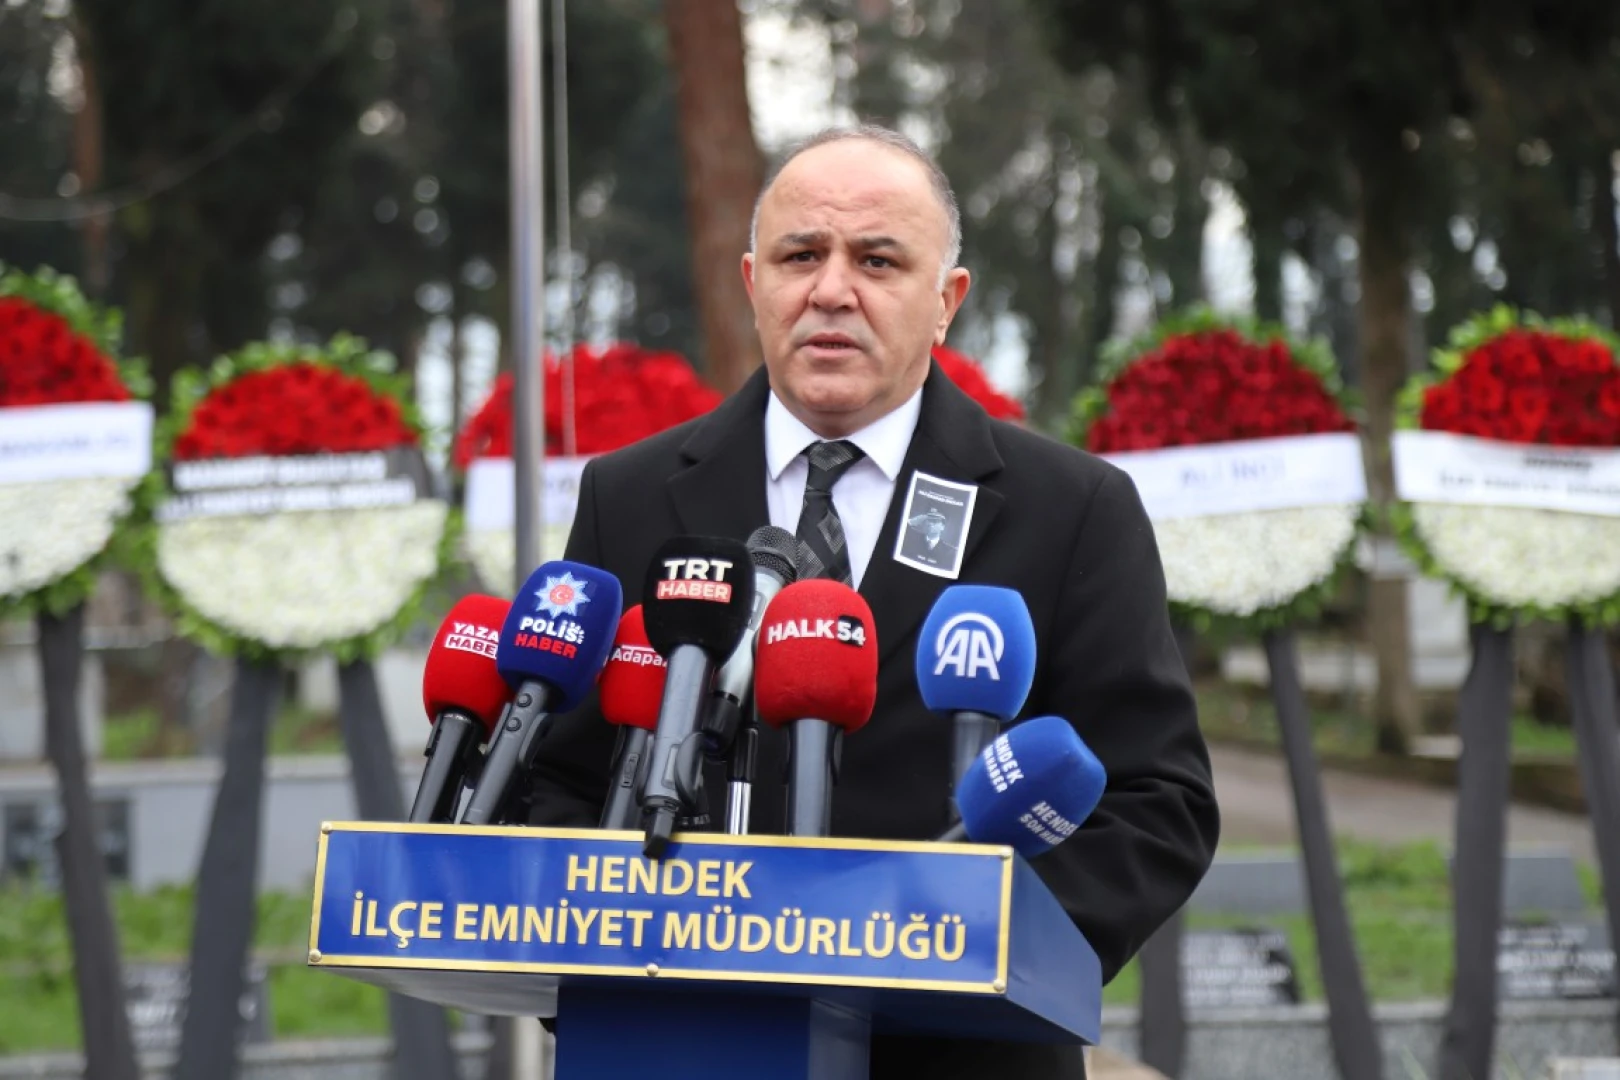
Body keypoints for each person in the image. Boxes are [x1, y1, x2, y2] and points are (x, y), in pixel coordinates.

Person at [526, 124, 1220, 1079]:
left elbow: (1154, 800)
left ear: (947, 301)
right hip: (674, 1040)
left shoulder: (1071, 510)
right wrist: (618, 949)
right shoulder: (630, 495)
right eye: (800, 255)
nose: (831, 290)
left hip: (961, 1056)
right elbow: (558, 782)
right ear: (753, 283)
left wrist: (973, 952)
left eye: (878, 260)